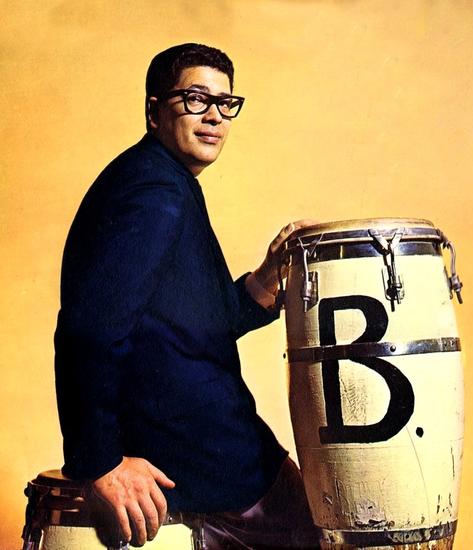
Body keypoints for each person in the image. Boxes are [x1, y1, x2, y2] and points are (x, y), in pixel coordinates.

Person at [54, 43, 320, 548]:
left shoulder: (164, 179)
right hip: (204, 465)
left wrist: (268, 277)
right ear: (154, 111)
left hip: (217, 454)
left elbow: (195, 326)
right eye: (196, 99)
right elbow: (89, 329)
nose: (214, 116)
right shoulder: (154, 191)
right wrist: (100, 463)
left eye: (225, 103)